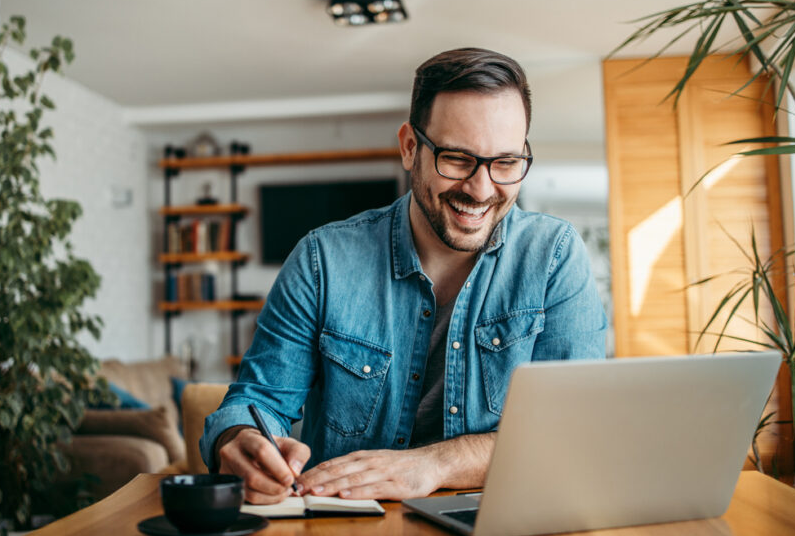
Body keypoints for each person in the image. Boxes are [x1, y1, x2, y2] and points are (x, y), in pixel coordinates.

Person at [200, 48, 606, 504]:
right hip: (346, 533)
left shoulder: (553, 255)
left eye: (507, 162)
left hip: (498, 528)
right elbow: (256, 401)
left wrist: (434, 464)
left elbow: (571, 430)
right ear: (410, 147)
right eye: (457, 158)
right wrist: (236, 440)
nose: (482, 188)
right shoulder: (322, 260)